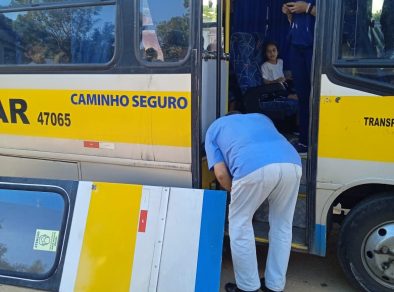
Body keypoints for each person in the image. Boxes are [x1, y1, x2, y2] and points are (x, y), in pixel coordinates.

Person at [205, 112, 302, 292]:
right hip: (292, 163)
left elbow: (220, 174)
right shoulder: (261, 117)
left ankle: (248, 287)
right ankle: (274, 285)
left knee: (240, 224)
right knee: (282, 225)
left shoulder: (214, 128)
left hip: (252, 167)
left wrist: (237, 191)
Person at [282, 1, 316, 153]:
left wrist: (307, 8)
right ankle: (304, 142)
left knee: (317, 97)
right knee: (303, 97)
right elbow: (295, 26)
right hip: (296, 49)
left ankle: (317, 142)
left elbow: (332, 17)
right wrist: (289, 14)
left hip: (315, 49)